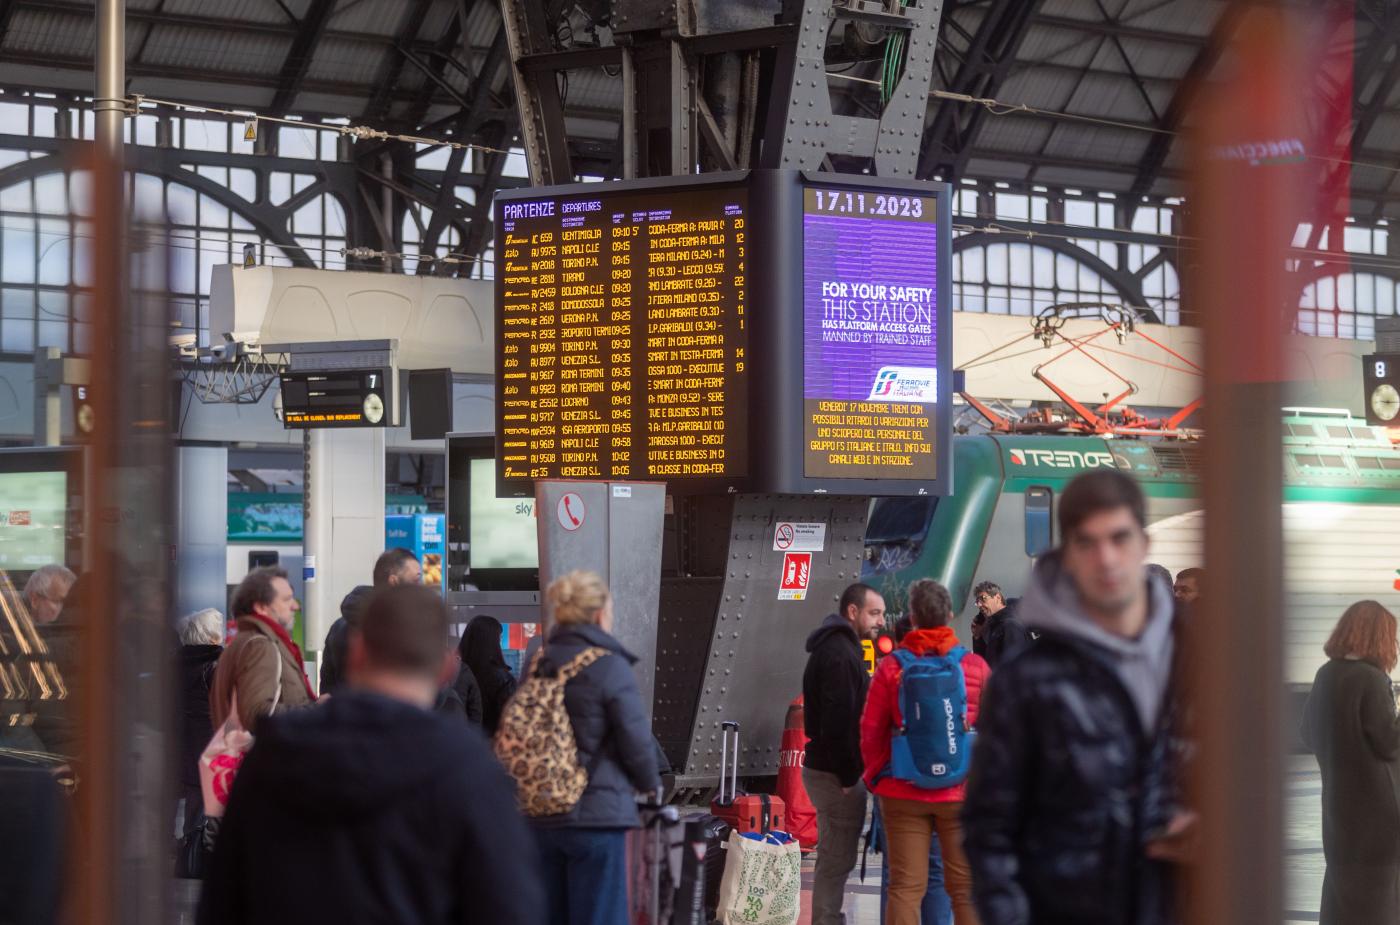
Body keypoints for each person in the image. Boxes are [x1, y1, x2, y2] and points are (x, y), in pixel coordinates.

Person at [197, 583, 544, 925]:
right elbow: (509, 907)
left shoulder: (276, 753)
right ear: (446, 669)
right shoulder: (468, 767)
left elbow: (223, 900)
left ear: (359, 651)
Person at [963, 469, 1190, 925]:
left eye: (1119, 538)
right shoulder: (1028, 681)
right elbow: (990, 828)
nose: (1106, 558)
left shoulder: (1201, 665)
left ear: (1143, 545)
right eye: (1087, 542)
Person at [525, 571, 660, 925]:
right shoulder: (609, 665)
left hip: (542, 812)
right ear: (600, 613)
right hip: (597, 817)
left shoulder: (539, 663)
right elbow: (635, 740)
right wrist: (650, 782)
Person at [863, 580, 987, 925]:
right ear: (949, 615)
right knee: (964, 888)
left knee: (905, 887)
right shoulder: (974, 667)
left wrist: (877, 777)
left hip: (903, 790)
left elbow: (871, 731)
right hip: (960, 793)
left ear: (913, 617)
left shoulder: (892, 668)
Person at [1301, 600, 1400, 925]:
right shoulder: (1372, 679)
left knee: (1341, 892)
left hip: (1339, 809)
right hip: (1379, 812)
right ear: (1380, 637)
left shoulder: (1326, 674)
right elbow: (1389, 741)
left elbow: (1307, 733)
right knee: (1380, 896)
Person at [804, 582, 886, 925]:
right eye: (874, 613)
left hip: (827, 768)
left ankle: (827, 918)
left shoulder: (836, 648)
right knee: (836, 859)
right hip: (834, 773)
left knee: (833, 857)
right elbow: (838, 722)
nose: (880, 621)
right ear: (852, 612)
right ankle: (826, 920)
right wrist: (849, 776)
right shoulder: (841, 655)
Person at [210, 567, 315, 732]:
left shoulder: (245, 641)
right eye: (287, 599)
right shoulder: (260, 646)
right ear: (261, 607)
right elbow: (255, 713)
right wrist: (315, 711)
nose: (295, 606)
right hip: (271, 755)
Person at [320, 549, 420, 695]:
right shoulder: (404, 628)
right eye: (415, 580)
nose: (420, 588)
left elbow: (327, 689)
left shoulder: (339, 627)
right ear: (394, 581)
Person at [176, 608, 225, 834]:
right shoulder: (217, 666)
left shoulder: (173, 664)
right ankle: (194, 859)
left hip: (179, 749)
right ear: (213, 637)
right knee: (203, 815)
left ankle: (183, 853)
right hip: (210, 748)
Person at [460, 615, 516, 735]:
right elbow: (511, 721)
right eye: (499, 639)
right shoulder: (503, 679)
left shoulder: (457, 672)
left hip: (460, 741)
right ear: (492, 642)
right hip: (491, 745)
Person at [974, 581, 1029, 669]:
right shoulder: (993, 627)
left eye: (983, 598)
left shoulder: (1010, 626)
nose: (979, 605)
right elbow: (982, 666)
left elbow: (1015, 667)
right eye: (977, 602)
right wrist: (978, 637)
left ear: (998, 597)